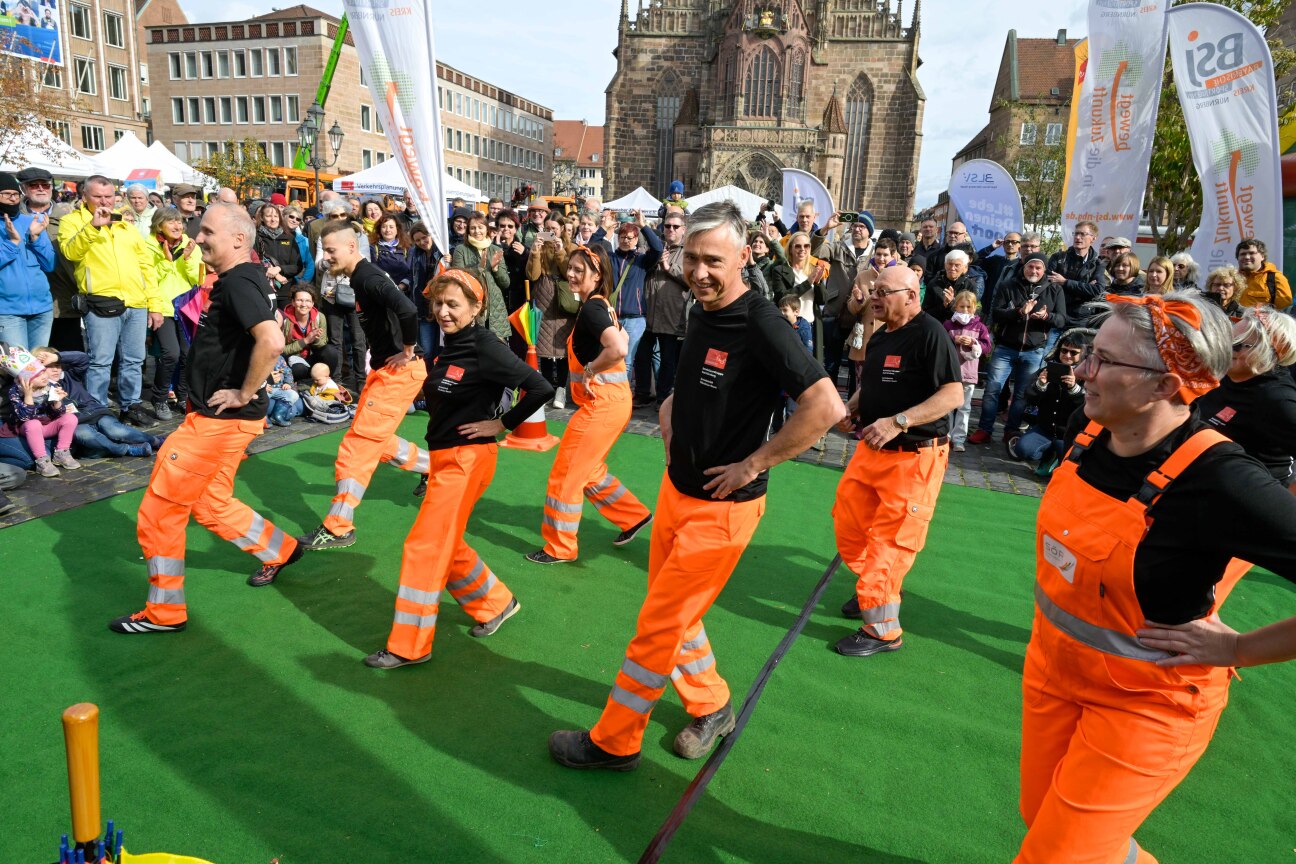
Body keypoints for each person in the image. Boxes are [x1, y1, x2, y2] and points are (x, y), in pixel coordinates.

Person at [549, 202, 844, 769]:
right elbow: (702, 377)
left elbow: (824, 406)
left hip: (723, 510)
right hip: (677, 491)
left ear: (742, 257)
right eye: (692, 258)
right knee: (674, 614)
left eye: (714, 260)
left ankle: (614, 742)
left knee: (657, 626)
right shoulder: (700, 306)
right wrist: (672, 408)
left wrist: (755, 464)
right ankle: (712, 706)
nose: (700, 271)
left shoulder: (762, 322)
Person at [1014, 291, 1296, 863]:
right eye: (1086, 352)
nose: (1082, 369)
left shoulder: (1222, 480)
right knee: (1042, 818)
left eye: (1104, 361)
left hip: (1149, 703)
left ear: (1166, 386)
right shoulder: (1087, 428)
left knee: (1055, 856)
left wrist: (1240, 647)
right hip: (1052, 670)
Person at [108, 203, 302, 634]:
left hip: (218, 422)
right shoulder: (245, 279)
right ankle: (280, 549)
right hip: (225, 420)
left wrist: (244, 391)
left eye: (207, 231)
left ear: (237, 239)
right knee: (211, 503)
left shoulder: (239, 282)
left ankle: (164, 613)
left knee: (159, 513)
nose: (197, 238)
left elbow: (271, 341)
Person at [363, 270, 554, 669]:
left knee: (425, 546)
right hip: (447, 458)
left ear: (476, 307)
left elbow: (539, 386)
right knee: (443, 540)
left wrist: (501, 424)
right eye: (438, 303)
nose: (443, 311)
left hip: (468, 460)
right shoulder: (451, 344)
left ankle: (409, 645)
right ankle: (495, 602)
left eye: (453, 304)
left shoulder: (484, 345)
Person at [833, 262, 963, 656]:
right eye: (874, 291)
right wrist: (853, 408)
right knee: (848, 523)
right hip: (872, 450)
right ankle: (876, 588)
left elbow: (952, 395)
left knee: (892, 542)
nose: (874, 297)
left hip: (914, 458)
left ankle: (882, 630)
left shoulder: (931, 334)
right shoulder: (881, 334)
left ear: (910, 296)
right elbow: (870, 384)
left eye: (883, 292)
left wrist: (899, 421)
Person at [298, 220, 426, 552]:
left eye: (330, 250)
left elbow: (408, 308)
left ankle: (338, 525)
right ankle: (434, 468)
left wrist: (408, 350)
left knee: (357, 448)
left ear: (352, 247)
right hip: (387, 370)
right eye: (324, 251)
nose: (326, 257)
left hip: (398, 372)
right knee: (374, 439)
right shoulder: (361, 276)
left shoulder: (367, 277)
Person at [526, 243, 653, 565]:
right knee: (590, 469)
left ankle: (559, 547)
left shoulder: (594, 309)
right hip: (613, 403)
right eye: (570, 268)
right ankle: (633, 516)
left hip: (603, 405)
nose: (571, 274)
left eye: (579, 270)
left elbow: (619, 349)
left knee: (566, 473)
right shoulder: (601, 306)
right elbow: (622, 340)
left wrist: (591, 371)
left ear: (597, 275)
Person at [59, 175, 169, 429]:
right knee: (101, 360)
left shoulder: (124, 225)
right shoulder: (72, 222)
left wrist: (154, 304)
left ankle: (130, 405)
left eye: (108, 196)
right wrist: (93, 228)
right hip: (101, 301)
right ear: (85, 196)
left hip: (136, 302)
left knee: (134, 359)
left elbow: (146, 267)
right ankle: (97, 410)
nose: (104, 201)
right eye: (98, 196)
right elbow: (70, 252)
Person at [969, 252, 1065, 447]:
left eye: (1038, 268)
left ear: (1044, 270)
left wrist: (1047, 317)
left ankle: (1011, 430)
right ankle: (984, 429)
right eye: (1031, 266)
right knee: (992, 390)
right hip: (1006, 347)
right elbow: (996, 314)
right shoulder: (1008, 286)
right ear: (1024, 267)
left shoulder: (1054, 289)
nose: (1034, 271)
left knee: (1022, 394)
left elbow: (1063, 319)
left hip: (1034, 350)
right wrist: (1019, 312)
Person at [1196, 305, 1296, 485]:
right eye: (1227, 340)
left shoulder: (1275, 398)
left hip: (1250, 498)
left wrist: (1285, 505)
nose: (1227, 349)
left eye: (1238, 345)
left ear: (1267, 352)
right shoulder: (1224, 377)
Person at [30, 347, 161, 458]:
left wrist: (56, 357)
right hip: (77, 422)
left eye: (57, 365)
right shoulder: (38, 391)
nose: (55, 370)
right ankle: (126, 449)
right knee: (85, 435)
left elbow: (83, 359)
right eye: (49, 367)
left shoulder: (70, 376)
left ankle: (155, 441)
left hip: (95, 412)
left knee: (115, 430)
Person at [144, 207, 205, 420]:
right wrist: (167, 261)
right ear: (159, 225)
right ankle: (159, 398)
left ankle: (184, 396)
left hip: (187, 306)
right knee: (171, 354)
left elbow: (199, 279)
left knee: (189, 355)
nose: (177, 226)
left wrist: (187, 259)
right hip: (163, 306)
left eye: (179, 221)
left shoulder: (190, 244)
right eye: (171, 222)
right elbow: (148, 279)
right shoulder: (149, 245)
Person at [1009, 330, 1090, 475]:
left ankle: (1055, 457)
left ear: (1082, 354)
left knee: (1067, 460)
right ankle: (1047, 454)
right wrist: (1040, 385)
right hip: (1045, 429)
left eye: (1073, 352)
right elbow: (1029, 398)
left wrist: (1074, 389)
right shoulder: (1046, 370)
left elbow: (1088, 409)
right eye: (1064, 350)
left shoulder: (1087, 377)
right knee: (1022, 449)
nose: (1067, 355)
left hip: (1069, 433)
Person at [0, 171, 56, 349]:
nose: (12, 199)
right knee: (18, 368)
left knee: (38, 366)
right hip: (8, 311)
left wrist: (35, 238)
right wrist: (13, 243)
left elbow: (50, 264)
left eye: (15, 194)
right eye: (6, 194)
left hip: (42, 308)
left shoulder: (33, 221)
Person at [639, 211, 689, 408]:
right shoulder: (654, 246)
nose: (671, 230)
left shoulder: (688, 251)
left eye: (675, 227)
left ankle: (663, 397)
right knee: (641, 355)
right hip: (648, 311)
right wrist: (654, 262)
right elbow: (639, 269)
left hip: (672, 313)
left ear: (683, 229)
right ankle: (643, 393)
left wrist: (668, 267)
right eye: (667, 226)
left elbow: (691, 280)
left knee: (668, 360)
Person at [526, 227, 576, 409]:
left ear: (562, 229)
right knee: (545, 350)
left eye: (555, 229)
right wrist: (535, 253)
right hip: (544, 304)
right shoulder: (539, 247)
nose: (551, 232)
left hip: (563, 303)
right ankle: (547, 388)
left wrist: (560, 250)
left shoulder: (571, 247)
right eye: (548, 229)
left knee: (562, 351)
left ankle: (561, 390)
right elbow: (533, 275)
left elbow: (569, 273)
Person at [5, 361, 78, 476]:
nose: (44, 376)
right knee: (33, 424)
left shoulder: (51, 386)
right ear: (25, 380)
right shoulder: (15, 391)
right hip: (27, 428)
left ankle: (62, 453)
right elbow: (25, 417)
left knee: (70, 418)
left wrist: (57, 401)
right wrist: (28, 395)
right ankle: (42, 461)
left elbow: (60, 413)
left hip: (47, 425)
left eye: (43, 372)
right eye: (37, 375)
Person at [942, 290, 992, 452]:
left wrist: (973, 342)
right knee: (947, 406)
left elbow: (987, 347)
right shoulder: (948, 325)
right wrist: (952, 339)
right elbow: (941, 344)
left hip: (968, 373)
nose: (964, 310)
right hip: (950, 371)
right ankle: (946, 436)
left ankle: (959, 439)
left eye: (968, 307)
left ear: (974, 308)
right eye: (961, 306)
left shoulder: (980, 327)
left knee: (964, 407)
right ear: (955, 306)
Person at [450, 212, 510, 343]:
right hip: (472, 307)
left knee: (497, 353)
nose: (477, 231)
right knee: (474, 350)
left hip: (495, 310)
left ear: (486, 229)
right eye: (473, 228)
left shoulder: (495, 250)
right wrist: (479, 268)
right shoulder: (461, 249)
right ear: (468, 231)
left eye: (480, 227)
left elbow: (506, 283)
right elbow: (458, 280)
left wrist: (495, 269)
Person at [1046, 220, 1108, 336]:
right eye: (1076, 233)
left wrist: (1065, 282)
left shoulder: (1098, 264)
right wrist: (1085, 286)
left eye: (1082, 234)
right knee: (1049, 353)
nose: (1078, 237)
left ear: (1093, 238)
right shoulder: (1058, 257)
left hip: (1080, 321)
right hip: (1056, 316)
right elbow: (1049, 282)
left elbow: (1096, 290)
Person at [253, 203, 308, 308]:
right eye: (269, 216)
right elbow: (253, 262)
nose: (273, 219)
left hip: (285, 290)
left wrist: (279, 269)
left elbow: (297, 266)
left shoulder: (289, 238)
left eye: (276, 216)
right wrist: (272, 273)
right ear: (262, 218)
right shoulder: (255, 237)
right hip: (263, 288)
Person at [281, 286, 338, 381]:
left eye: (308, 301)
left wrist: (315, 338)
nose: (304, 304)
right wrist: (306, 340)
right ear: (293, 302)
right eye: (299, 300)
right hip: (294, 359)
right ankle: (301, 385)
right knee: (298, 369)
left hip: (313, 357)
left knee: (330, 351)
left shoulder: (320, 317)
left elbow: (322, 344)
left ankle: (326, 381)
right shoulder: (284, 320)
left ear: (312, 303)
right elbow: (282, 350)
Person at [407, 222, 445, 360]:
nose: (422, 242)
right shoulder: (415, 254)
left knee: (442, 349)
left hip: (440, 305)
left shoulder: (443, 251)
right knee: (427, 350)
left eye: (424, 237)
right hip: (423, 308)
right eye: (417, 240)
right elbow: (412, 276)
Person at [922, 249, 980, 323]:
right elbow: (926, 313)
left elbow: (972, 313)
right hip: (938, 327)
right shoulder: (934, 284)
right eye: (949, 264)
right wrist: (944, 306)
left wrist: (952, 304)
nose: (952, 268)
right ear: (945, 265)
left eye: (957, 265)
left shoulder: (970, 285)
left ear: (965, 267)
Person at [1235, 237, 1292, 309]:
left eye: (1252, 253)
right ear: (1238, 258)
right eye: (1243, 254)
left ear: (1262, 256)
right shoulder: (1231, 278)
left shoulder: (1276, 278)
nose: (1247, 257)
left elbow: (1283, 312)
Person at [370, 214, 413, 296]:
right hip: (382, 292)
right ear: (379, 229)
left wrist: (401, 287)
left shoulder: (407, 248)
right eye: (384, 227)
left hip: (403, 294)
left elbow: (411, 272)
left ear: (397, 229)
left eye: (391, 227)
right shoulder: (373, 248)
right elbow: (373, 272)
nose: (387, 230)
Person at [266, 356, 302, 426]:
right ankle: (263, 417)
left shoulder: (280, 359)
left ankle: (277, 415)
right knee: (260, 397)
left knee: (293, 395)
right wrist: (262, 385)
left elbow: (287, 371)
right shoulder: (258, 358)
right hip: (265, 389)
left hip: (279, 388)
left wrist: (288, 383)